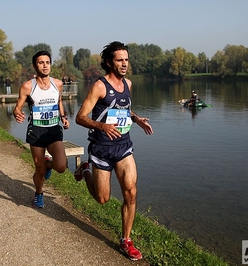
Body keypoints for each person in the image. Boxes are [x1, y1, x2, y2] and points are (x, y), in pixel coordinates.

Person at [74, 41, 153, 261]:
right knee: (102, 199)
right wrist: (102, 126)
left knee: (131, 192)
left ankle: (126, 240)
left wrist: (136, 119)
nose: (124, 63)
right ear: (109, 62)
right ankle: (85, 169)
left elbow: (125, 109)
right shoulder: (99, 86)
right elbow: (80, 117)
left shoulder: (128, 83)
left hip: (124, 146)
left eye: (126, 59)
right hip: (101, 148)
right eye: (120, 60)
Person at [13, 50, 70, 208]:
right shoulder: (27, 86)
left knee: (61, 166)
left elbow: (59, 102)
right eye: (41, 63)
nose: (45, 66)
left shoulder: (57, 84)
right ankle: (38, 193)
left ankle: (48, 164)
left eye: (47, 62)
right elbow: (17, 108)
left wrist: (64, 117)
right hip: (36, 131)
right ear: (34, 66)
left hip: (53, 130)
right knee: (39, 170)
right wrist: (17, 114)